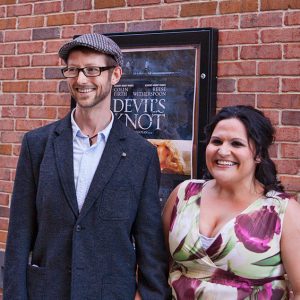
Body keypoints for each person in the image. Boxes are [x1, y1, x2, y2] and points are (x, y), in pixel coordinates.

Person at [4, 33, 171, 300]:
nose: (81, 80)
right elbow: (19, 235)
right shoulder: (37, 144)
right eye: (73, 70)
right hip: (47, 292)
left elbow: (149, 243)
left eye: (92, 70)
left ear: (115, 75)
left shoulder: (142, 155)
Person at [162, 105, 300, 299]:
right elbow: (159, 264)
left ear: (258, 154)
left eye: (236, 144)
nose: (223, 151)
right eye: (216, 141)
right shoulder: (184, 194)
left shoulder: (283, 212)